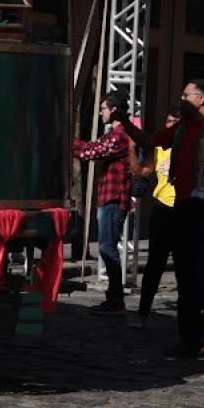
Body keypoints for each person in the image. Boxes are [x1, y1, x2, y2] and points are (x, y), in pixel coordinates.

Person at [145, 79, 204, 359]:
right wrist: (125, 123)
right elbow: (150, 141)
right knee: (185, 274)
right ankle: (188, 337)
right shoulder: (181, 129)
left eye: (186, 95)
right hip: (183, 206)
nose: (181, 99)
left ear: (203, 99)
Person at [72, 92, 133, 314]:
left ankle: (116, 299)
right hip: (109, 196)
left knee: (107, 248)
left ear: (114, 110)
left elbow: (91, 151)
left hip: (114, 197)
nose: (101, 112)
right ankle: (114, 298)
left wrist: (68, 142)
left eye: (103, 108)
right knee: (107, 247)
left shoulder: (120, 136)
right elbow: (93, 146)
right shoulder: (113, 134)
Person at [135, 145, 176, 329]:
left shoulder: (190, 145)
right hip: (162, 207)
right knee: (155, 264)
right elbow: (142, 171)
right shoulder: (158, 150)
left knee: (185, 266)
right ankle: (143, 311)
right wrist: (131, 148)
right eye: (168, 121)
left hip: (183, 207)